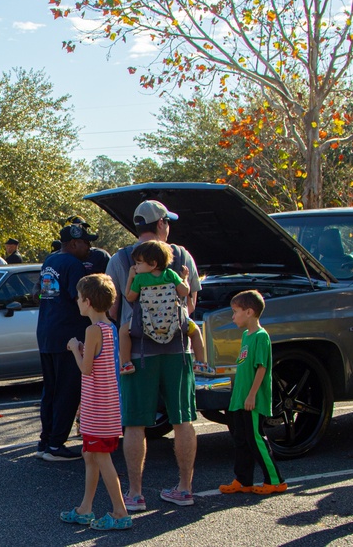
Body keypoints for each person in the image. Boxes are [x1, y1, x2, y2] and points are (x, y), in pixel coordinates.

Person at [105, 199, 200, 510]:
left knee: (135, 423)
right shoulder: (182, 256)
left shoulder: (121, 260)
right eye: (167, 222)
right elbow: (192, 306)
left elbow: (114, 309)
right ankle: (184, 488)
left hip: (138, 351)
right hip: (178, 350)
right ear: (161, 224)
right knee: (183, 419)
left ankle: (134, 493)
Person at [60, 274, 132, 531]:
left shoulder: (92, 330)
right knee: (89, 455)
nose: (77, 302)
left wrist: (74, 348)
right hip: (106, 406)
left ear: (87, 301)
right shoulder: (110, 327)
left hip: (98, 409)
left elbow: (87, 369)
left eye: (79, 298)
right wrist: (83, 349)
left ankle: (120, 511)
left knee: (101, 458)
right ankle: (85, 508)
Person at [34, 222, 98, 461]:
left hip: (47, 332)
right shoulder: (74, 264)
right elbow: (80, 298)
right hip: (67, 335)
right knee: (67, 391)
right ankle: (56, 445)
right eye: (85, 242)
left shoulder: (50, 261)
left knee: (50, 390)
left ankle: (45, 441)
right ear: (73, 243)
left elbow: (42, 293)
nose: (89, 247)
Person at [218, 290, 287, 496]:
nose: (233, 316)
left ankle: (275, 480)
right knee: (241, 440)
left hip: (252, 400)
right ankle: (243, 480)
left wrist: (252, 395)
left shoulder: (260, 336)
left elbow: (261, 368)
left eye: (236, 311)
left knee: (256, 438)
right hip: (240, 399)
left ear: (249, 312)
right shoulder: (246, 336)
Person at [119, 240, 190, 376]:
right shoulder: (170, 274)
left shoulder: (140, 279)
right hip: (172, 322)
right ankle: (200, 362)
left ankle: (126, 363)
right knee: (196, 331)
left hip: (146, 322)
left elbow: (129, 297)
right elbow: (185, 292)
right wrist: (185, 278)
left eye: (139, 263)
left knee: (123, 331)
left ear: (153, 264)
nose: (136, 267)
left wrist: (130, 278)